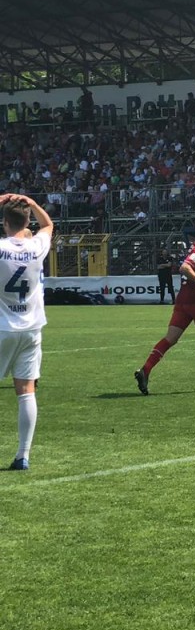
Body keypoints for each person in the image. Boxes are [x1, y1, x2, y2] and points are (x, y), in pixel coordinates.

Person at [135, 214, 195, 394]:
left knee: (170, 338)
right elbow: (185, 267)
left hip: (183, 300)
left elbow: (193, 267)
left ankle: (146, 369)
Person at [0, 193, 53, 470]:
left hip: (2, 327)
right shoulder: (36, 247)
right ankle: (23, 455)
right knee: (25, 391)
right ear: (27, 219)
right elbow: (49, 226)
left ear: (4, 222)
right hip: (31, 327)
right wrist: (31, 203)